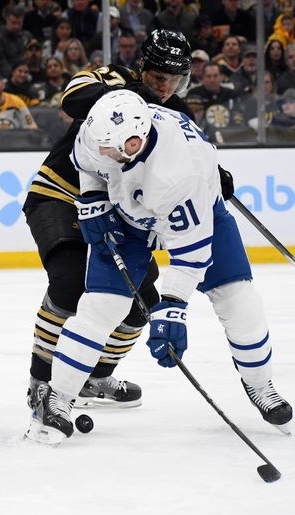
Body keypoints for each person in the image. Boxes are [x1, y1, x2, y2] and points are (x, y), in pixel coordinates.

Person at [29, 89, 292, 444]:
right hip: (129, 220)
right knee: (101, 307)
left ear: (135, 142)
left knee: (239, 302)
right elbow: (87, 163)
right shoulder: (102, 130)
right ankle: (57, 397)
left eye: (111, 150)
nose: (103, 154)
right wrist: (92, 197)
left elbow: (191, 255)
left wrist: (173, 306)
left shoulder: (179, 174)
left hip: (200, 212)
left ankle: (262, 386)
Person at [22, 30, 206, 420]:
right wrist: (127, 101)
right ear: (143, 67)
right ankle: (42, 383)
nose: (165, 87)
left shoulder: (179, 115)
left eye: (174, 81)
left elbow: (195, 156)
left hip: (116, 214)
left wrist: (216, 173)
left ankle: (94, 378)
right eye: (158, 77)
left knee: (141, 308)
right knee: (70, 284)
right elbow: (71, 99)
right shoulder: (114, 79)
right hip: (58, 195)